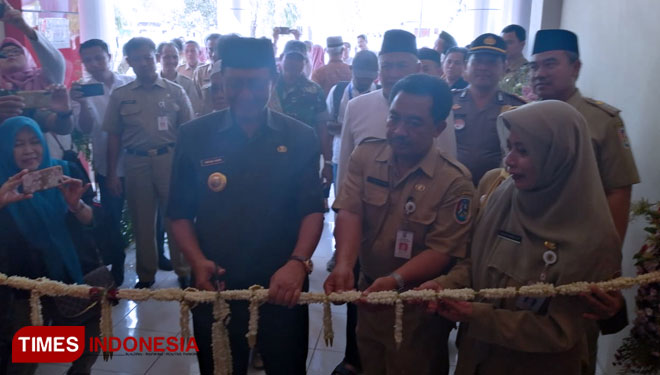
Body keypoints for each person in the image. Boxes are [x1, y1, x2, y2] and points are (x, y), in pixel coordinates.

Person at [422, 100, 622, 375]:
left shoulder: (594, 237)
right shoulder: (504, 198)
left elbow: (559, 331)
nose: (509, 160)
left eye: (523, 151)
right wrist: (443, 285)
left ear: (558, 155)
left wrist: (475, 315)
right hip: (477, 358)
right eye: (510, 147)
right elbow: (475, 263)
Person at [167, 37, 324, 375]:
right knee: (220, 366)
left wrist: (298, 263)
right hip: (216, 278)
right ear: (221, 80)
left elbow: (312, 209)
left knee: (286, 365)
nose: (247, 94)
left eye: (257, 84)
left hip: (283, 280)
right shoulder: (195, 135)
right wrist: (196, 261)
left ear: (273, 79)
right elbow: (179, 212)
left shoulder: (299, 137)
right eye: (237, 84)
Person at [325, 74, 474, 375]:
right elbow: (351, 211)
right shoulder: (366, 155)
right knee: (371, 362)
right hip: (369, 294)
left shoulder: (455, 183)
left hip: (419, 307)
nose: (399, 131)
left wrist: (395, 281)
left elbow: (442, 250)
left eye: (414, 123)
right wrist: (344, 265)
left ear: (438, 128)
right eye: (394, 118)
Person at [529, 28, 639, 374]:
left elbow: (618, 191)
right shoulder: (528, 118)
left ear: (575, 67)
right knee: (524, 334)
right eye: (535, 67)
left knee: (573, 341)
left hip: (580, 255)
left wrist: (606, 258)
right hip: (530, 251)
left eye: (550, 64)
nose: (540, 73)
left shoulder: (602, 121)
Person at [0, 116, 100, 375]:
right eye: (18, 144)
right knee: (26, 354)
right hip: (25, 283)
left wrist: (75, 205)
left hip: (71, 273)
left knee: (90, 337)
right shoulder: (2, 184)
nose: (29, 150)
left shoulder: (64, 172)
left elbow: (93, 223)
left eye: (34, 142)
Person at [103, 37, 193, 289]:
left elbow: (188, 133)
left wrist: (187, 170)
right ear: (129, 62)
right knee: (142, 220)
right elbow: (113, 136)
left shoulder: (175, 91)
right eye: (137, 59)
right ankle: (146, 274)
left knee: (176, 216)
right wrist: (111, 174)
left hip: (170, 160)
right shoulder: (121, 96)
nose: (144, 63)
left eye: (148, 57)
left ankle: (183, 269)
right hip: (136, 163)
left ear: (155, 57)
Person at [337, 29, 457, 192]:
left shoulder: (437, 108)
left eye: (401, 66)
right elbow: (345, 170)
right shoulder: (356, 107)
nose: (393, 74)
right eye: (386, 66)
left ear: (417, 68)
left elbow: (447, 167)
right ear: (379, 69)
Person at [324, 49, 379, 375]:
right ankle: (353, 359)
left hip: (411, 217)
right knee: (358, 283)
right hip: (361, 210)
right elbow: (346, 167)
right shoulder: (353, 102)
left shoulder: (423, 105)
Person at [71, 38, 134, 285]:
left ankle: (157, 258)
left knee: (149, 214)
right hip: (108, 167)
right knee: (111, 218)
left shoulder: (129, 83)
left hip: (138, 162)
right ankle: (117, 266)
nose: (94, 64)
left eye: (99, 57)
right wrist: (82, 103)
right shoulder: (83, 91)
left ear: (109, 55)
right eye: (88, 60)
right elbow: (84, 128)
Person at [0, 2, 74, 159]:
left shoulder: (44, 78)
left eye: (16, 51)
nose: (10, 55)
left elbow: (56, 61)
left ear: (27, 56)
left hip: (46, 159)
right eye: (4, 54)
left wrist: (25, 28)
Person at [452, 33, 526, 186]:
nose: (483, 68)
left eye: (492, 63)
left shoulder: (516, 107)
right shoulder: (448, 101)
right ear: (466, 66)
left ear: (504, 67)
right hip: (451, 185)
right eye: (478, 61)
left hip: (496, 188)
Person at [271, 40, 332, 203]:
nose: (293, 63)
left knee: (304, 201)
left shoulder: (314, 90)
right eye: (290, 57)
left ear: (305, 62)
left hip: (304, 156)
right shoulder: (268, 87)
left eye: (299, 59)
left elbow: (322, 128)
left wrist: (327, 163)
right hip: (271, 156)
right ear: (281, 58)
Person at [157, 41, 202, 116]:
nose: (171, 61)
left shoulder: (187, 83)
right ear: (158, 58)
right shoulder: (153, 83)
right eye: (166, 57)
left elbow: (195, 109)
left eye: (175, 57)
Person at [499, 24, 534, 99]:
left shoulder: (527, 71)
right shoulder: (498, 68)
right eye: (502, 43)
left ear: (522, 44)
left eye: (509, 42)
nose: (504, 47)